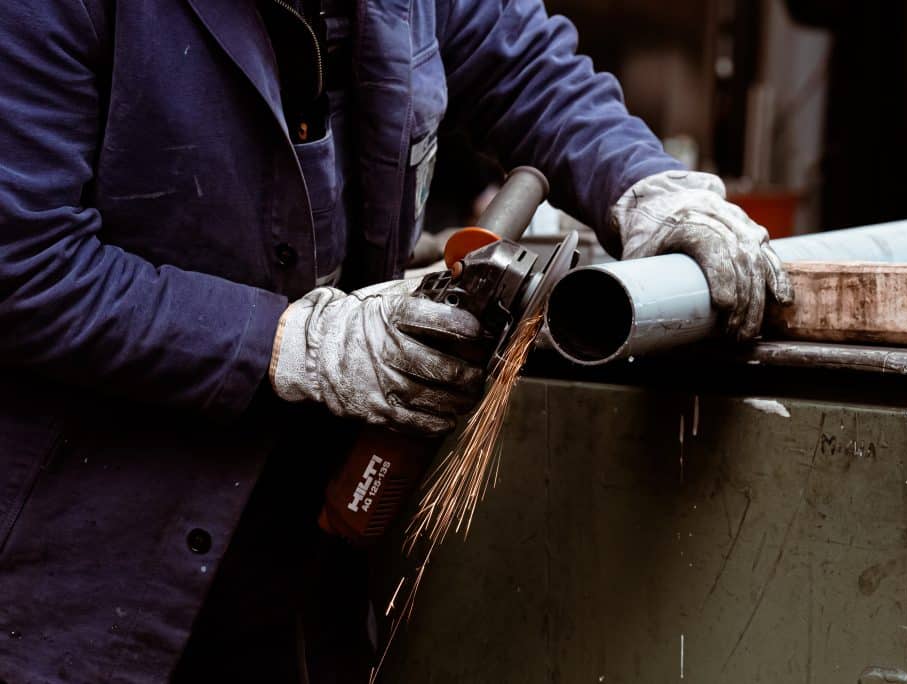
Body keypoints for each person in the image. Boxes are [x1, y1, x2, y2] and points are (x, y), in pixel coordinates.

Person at [0, 0, 792, 681]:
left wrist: (648, 187)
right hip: (89, 566)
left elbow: (524, 68)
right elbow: (23, 264)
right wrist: (293, 343)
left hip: (317, 547)